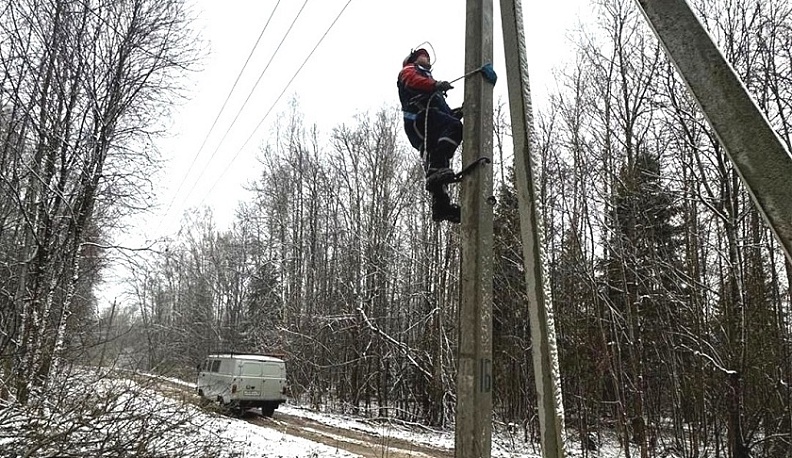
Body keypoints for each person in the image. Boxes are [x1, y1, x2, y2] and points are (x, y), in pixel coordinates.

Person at [397, 48, 463, 223]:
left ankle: (441, 205)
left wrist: (459, 111)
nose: (426, 58)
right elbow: (412, 81)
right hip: (420, 118)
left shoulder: (429, 81)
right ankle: (437, 169)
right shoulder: (409, 71)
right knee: (454, 128)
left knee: (434, 155)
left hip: (428, 121)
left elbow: (445, 111)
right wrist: (435, 85)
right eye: (422, 56)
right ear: (413, 59)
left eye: (427, 56)